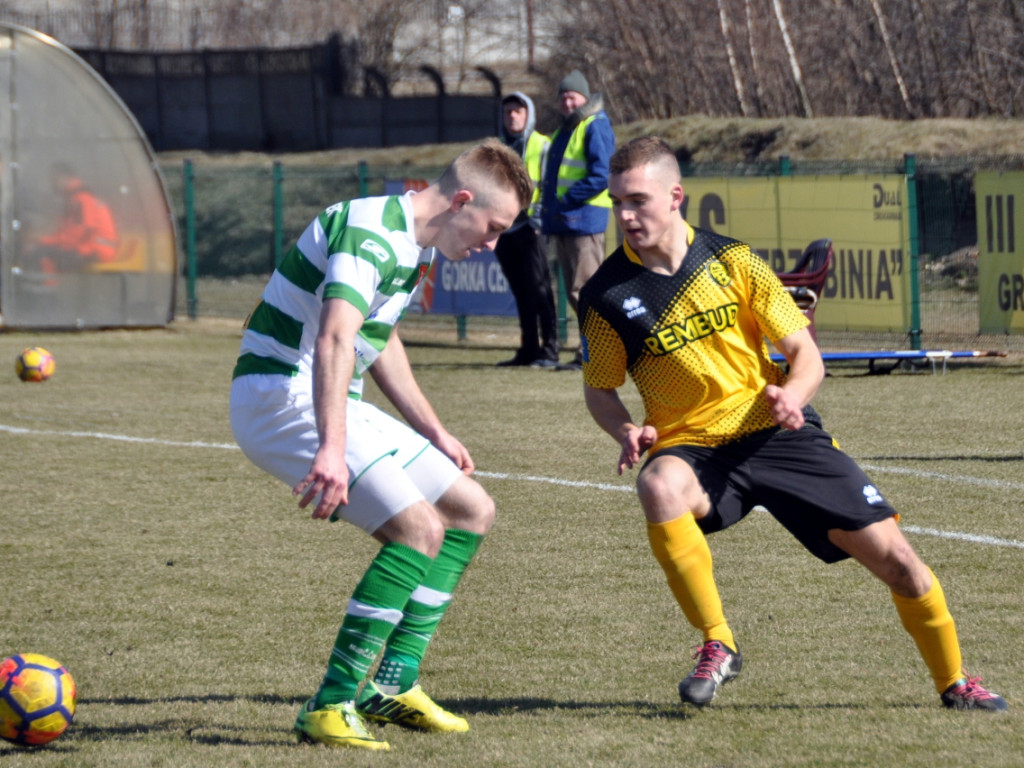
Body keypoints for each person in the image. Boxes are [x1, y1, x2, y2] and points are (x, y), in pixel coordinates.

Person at [578, 136, 1008, 713]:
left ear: (675, 195)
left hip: (777, 433)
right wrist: (624, 429)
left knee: (902, 564)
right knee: (657, 485)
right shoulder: (605, 294)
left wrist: (793, 397)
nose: (626, 216)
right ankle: (718, 642)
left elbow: (806, 356)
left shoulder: (733, 260)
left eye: (638, 200)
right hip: (693, 449)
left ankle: (955, 683)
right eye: (617, 203)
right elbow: (599, 388)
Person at [230, 141, 533, 751]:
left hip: (331, 394)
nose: (491, 244)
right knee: (418, 530)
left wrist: (434, 430)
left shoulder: (413, 239)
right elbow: (339, 339)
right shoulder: (371, 232)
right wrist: (331, 450)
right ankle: (331, 703)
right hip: (279, 394)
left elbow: (377, 338)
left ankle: (392, 686)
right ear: (463, 201)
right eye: (493, 228)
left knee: (471, 510)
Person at [539, 69, 615, 371]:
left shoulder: (594, 125)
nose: (567, 103)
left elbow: (602, 175)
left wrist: (565, 201)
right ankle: (590, 351)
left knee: (586, 290)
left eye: (572, 97)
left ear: (584, 97)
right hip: (566, 221)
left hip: (584, 221)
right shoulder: (566, 129)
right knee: (576, 291)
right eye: (563, 98)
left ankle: (597, 353)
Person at [494, 92, 560, 368]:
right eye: (508, 112)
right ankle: (528, 348)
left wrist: (537, 222)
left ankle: (550, 349)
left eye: (517, 112)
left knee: (540, 288)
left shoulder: (541, 144)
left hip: (531, 228)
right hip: (504, 230)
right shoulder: (496, 147)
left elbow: (547, 184)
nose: (512, 116)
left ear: (528, 114)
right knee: (520, 291)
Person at [32, 162, 118, 274]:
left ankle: (48, 288)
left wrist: (47, 243)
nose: (52, 183)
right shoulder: (73, 198)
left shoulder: (82, 199)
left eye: (54, 179)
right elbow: (66, 232)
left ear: (64, 177)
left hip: (96, 250)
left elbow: (80, 233)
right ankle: (45, 285)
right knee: (41, 249)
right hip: (87, 247)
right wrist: (44, 241)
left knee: (42, 253)